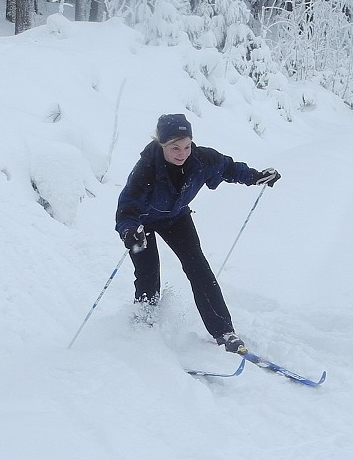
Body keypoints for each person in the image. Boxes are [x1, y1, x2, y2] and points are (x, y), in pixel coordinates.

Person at [115, 113, 280, 353]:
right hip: (143, 223)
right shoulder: (147, 168)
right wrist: (129, 230)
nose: (182, 153)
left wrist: (256, 177)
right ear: (162, 145)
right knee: (148, 272)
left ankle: (224, 331)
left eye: (186, 146)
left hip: (176, 217)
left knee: (199, 269)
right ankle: (144, 324)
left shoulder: (201, 160)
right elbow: (127, 204)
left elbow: (229, 168)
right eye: (175, 148)